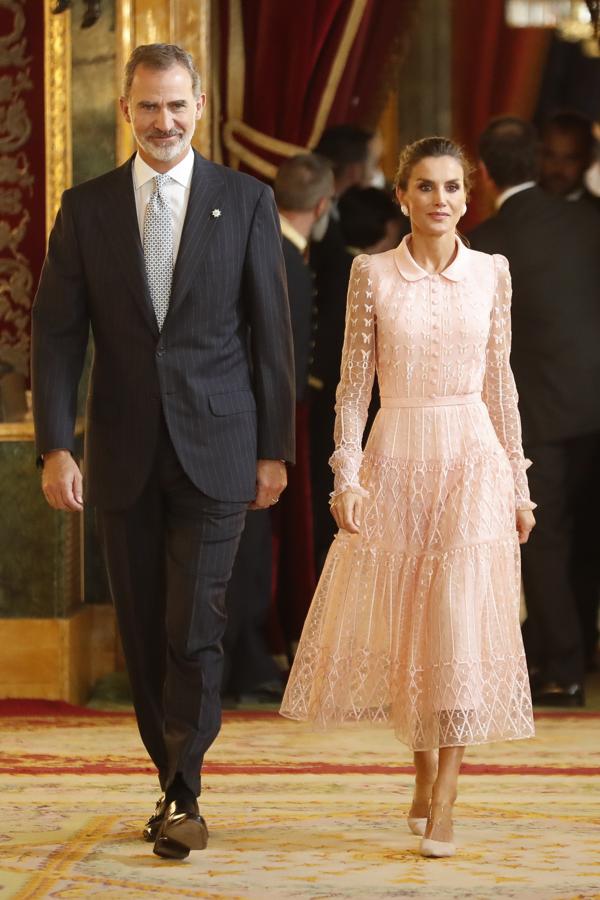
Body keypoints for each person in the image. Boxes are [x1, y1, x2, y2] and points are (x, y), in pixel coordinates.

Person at [31, 43, 295, 860]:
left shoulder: (245, 200)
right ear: (127, 110)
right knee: (144, 629)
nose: (165, 120)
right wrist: (54, 446)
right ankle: (169, 772)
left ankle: (185, 790)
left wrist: (274, 450)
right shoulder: (86, 207)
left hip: (219, 449)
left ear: (200, 105)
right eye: (149, 106)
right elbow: (57, 335)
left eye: (177, 105)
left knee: (193, 623)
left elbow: (271, 337)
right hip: (120, 453)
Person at [281, 136, 536, 859]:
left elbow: (501, 384)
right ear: (402, 195)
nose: (441, 200)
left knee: (456, 620)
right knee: (411, 630)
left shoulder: (494, 273)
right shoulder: (372, 275)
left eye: (453, 187)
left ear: (468, 195)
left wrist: (519, 485)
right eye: (426, 187)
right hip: (395, 456)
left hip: (472, 461)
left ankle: (449, 793)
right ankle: (421, 769)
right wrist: (346, 477)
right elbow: (353, 384)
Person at [470, 116, 600, 700]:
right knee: (587, 533)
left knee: (545, 540)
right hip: (593, 406)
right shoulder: (588, 222)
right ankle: (579, 650)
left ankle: (563, 669)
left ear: (484, 174)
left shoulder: (486, 242)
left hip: (537, 413)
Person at [223, 153, 334, 700]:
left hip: (248, 419)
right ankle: (244, 661)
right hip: (258, 424)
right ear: (322, 204)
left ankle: (246, 658)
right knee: (250, 545)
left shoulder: (271, 248)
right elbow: (278, 359)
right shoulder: (281, 257)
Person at [539, 110, 600, 209]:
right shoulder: (519, 203)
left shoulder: (596, 214)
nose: (558, 166)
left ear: (588, 160)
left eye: (570, 159)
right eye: (549, 155)